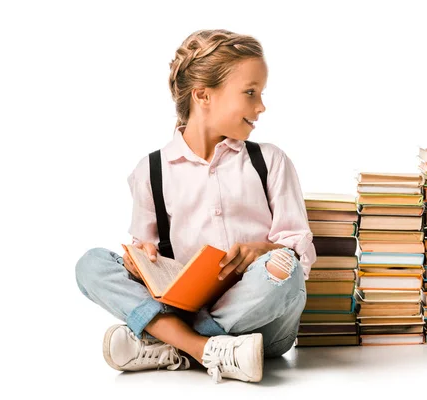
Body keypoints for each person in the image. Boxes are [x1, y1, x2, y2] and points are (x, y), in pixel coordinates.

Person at [75, 29, 316, 384]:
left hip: (264, 322)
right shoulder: (150, 171)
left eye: (260, 94)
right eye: (250, 92)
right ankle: (208, 349)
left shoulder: (269, 160)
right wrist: (141, 257)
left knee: (286, 269)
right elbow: (148, 255)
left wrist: (263, 251)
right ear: (203, 95)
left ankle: (171, 342)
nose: (261, 106)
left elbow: (300, 252)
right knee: (90, 265)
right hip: (187, 305)